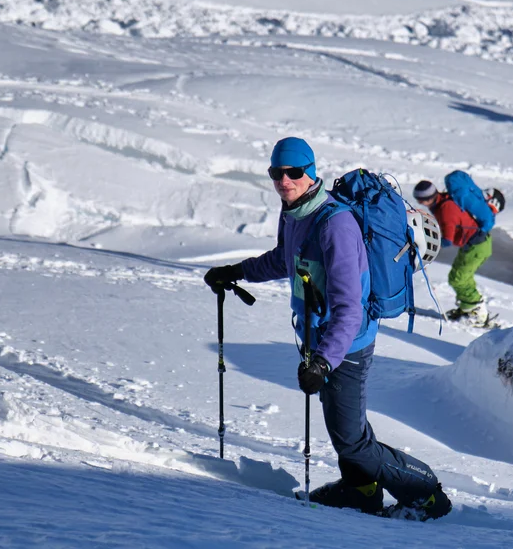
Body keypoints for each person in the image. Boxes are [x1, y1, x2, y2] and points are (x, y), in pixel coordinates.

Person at [204, 137, 451, 521]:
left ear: (310, 172)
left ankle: (426, 493)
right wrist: (236, 272)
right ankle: (360, 489)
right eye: (276, 173)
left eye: (293, 172)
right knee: (344, 427)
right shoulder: (294, 212)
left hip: (347, 345)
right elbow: (284, 259)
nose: (284, 181)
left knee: (352, 441)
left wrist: (323, 362)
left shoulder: (335, 225)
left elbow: (349, 309)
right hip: (321, 341)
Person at [412, 177, 492, 326]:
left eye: (421, 200)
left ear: (429, 198)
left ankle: (478, 312)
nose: (420, 203)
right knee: (457, 276)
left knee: (459, 279)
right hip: (474, 244)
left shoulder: (445, 209)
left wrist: (425, 244)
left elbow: (447, 239)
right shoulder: (443, 202)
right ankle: (467, 309)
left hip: (477, 245)